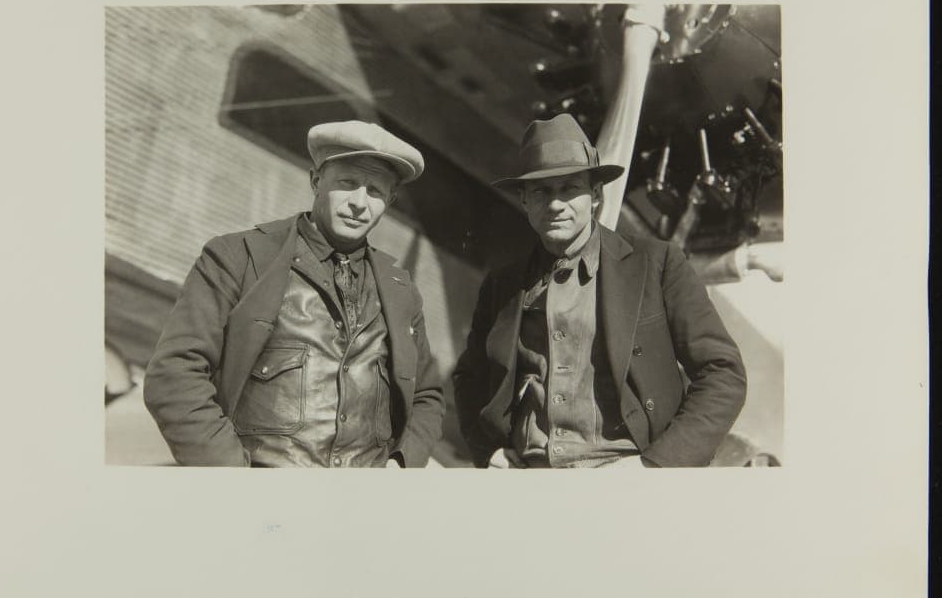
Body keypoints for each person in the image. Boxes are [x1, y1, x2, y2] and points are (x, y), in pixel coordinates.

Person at [144, 120, 445, 468]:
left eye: (375, 191)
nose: (360, 203)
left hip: (362, 506)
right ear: (316, 180)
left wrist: (402, 463)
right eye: (347, 183)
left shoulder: (401, 289)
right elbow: (174, 374)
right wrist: (229, 477)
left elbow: (427, 395)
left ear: (389, 200)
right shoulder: (236, 257)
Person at [452, 114, 746, 469]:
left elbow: (723, 373)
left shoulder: (657, 265)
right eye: (542, 191)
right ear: (524, 200)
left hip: (625, 482)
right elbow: (469, 377)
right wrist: (489, 450)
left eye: (569, 188)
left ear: (595, 194)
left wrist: (655, 467)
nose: (556, 204)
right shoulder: (502, 286)